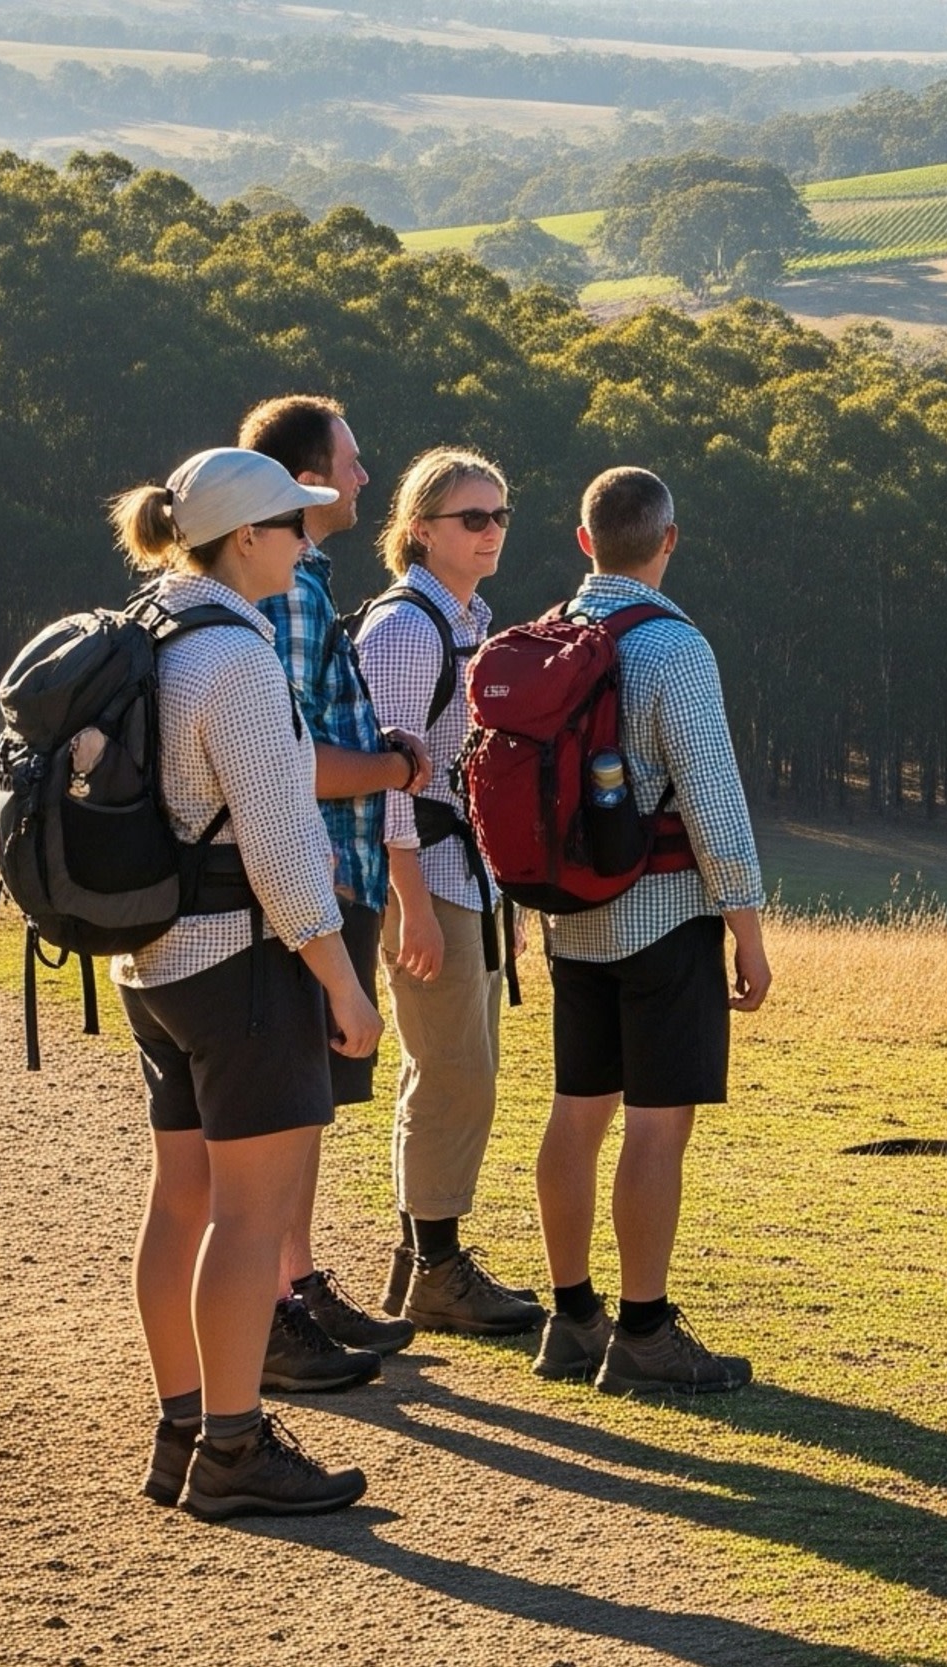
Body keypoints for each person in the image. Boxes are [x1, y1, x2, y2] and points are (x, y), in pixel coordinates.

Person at [110, 447, 382, 1518]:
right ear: (249, 540)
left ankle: (183, 1426)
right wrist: (343, 989)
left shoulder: (158, 626)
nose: (307, 537)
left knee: (180, 1203)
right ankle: (234, 1447)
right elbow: (276, 847)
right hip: (242, 970)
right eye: (294, 523)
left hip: (157, 963)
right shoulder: (238, 658)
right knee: (249, 1221)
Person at [531, 466, 771, 1396]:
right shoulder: (674, 647)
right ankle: (644, 1332)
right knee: (657, 1127)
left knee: (576, 1112)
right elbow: (712, 798)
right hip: (665, 915)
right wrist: (746, 928)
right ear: (668, 539)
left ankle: (571, 1316)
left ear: (585, 539)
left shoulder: (552, 632)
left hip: (569, 920)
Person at [238, 394, 424, 1384]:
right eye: (349, 462)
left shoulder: (301, 579)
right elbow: (291, 758)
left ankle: (296, 1285)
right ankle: (273, 1311)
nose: (362, 477)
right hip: (305, 872)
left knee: (308, 1102)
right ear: (308, 476)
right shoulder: (293, 592)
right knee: (285, 1104)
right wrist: (393, 769)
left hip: (321, 873)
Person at [358, 447, 545, 1337]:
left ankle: (420, 1262)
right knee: (453, 1071)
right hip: (423, 873)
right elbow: (388, 777)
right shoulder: (406, 630)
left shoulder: (466, 621)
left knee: (457, 1067)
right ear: (421, 528)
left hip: (463, 874)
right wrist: (416, 903)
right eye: (474, 517)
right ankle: (434, 1267)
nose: (493, 530)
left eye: (502, 514)